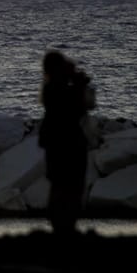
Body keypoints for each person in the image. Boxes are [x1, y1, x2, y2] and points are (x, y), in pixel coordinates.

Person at [38, 49, 95, 237]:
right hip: (69, 144)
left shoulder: (50, 89)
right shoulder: (61, 90)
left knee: (59, 185)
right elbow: (80, 108)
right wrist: (79, 84)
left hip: (55, 144)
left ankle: (59, 227)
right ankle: (65, 227)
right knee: (70, 187)